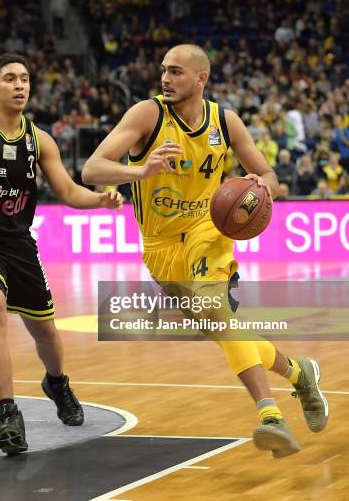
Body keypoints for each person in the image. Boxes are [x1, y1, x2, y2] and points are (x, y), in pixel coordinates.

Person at [82, 44, 328, 458]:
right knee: (220, 327)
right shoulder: (147, 114)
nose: (165, 79)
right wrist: (138, 171)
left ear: (201, 79)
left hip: (208, 232)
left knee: (215, 308)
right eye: (163, 70)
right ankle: (300, 373)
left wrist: (261, 185)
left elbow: (271, 176)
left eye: (176, 72)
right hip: (159, 245)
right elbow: (92, 168)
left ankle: (270, 416)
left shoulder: (224, 121)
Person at [0, 52, 122, 455]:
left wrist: (102, 200)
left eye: (25, 79)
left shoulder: (39, 138)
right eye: (11, 78)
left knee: (45, 332)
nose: (20, 85)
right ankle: (7, 414)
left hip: (17, 243)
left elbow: (68, 192)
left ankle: (57, 383)